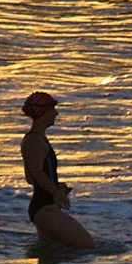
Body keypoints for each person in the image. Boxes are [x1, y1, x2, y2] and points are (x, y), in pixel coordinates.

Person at [20, 91, 95, 248]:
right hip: (44, 209)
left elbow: (31, 177)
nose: (56, 113)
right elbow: (35, 173)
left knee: (51, 260)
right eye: (52, 110)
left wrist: (57, 187)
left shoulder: (38, 138)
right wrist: (55, 192)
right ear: (43, 112)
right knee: (87, 246)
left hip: (45, 207)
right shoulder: (34, 140)